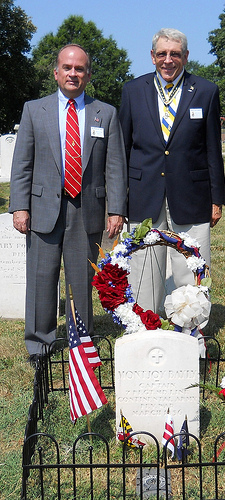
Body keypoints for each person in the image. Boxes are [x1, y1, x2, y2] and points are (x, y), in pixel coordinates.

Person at [9, 44, 128, 363]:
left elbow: (115, 166)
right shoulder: (35, 110)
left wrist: (116, 209)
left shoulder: (106, 113)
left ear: (88, 73)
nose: (73, 73)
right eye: (67, 67)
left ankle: (80, 340)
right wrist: (19, 206)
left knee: (80, 279)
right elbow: (22, 163)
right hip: (42, 208)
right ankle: (39, 343)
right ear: (56, 72)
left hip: (86, 209)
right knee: (41, 278)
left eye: (79, 68)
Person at [119, 28, 225, 313]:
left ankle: (192, 336)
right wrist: (118, 200)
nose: (169, 60)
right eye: (162, 54)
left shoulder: (205, 91)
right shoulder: (133, 90)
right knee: (144, 272)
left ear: (186, 57)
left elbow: (212, 148)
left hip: (192, 196)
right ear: (152, 57)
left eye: (175, 54)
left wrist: (217, 199)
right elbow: (123, 149)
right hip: (144, 195)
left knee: (189, 270)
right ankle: (145, 330)